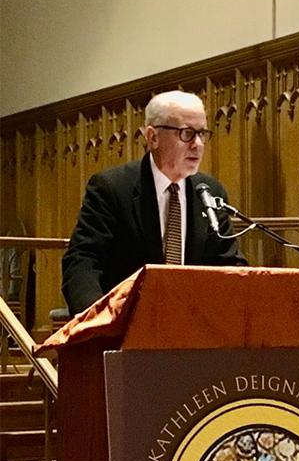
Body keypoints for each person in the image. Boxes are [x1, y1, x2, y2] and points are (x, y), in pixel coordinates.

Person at [62, 90, 246, 314]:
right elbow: (84, 260)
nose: (197, 144)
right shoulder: (112, 188)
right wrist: (94, 319)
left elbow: (228, 264)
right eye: (187, 133)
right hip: (128, 322)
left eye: (202, 133)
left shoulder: (209, 191)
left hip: (193, 324)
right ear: (153, 137)